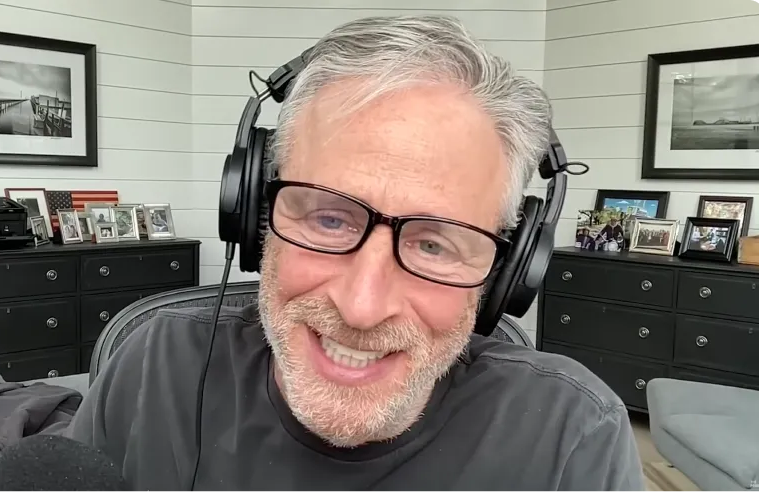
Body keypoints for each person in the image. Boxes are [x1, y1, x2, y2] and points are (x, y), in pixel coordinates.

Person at [66, 15, 644, 491]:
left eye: (434, 243)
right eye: (329, 219)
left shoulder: (572, 434)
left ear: (508, 271)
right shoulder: (157, 364)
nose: (362, 308)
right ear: (252, 215)